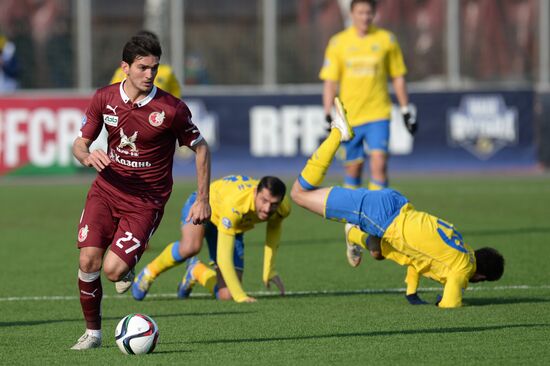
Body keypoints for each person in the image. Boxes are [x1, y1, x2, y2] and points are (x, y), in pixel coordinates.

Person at [290, 97, 504, 308]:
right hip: (383, 217)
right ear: (481, 276)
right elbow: (449, 304)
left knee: (378, 253)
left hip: (397, 205)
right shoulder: (462, 271)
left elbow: (417, 257)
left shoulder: (460, 246)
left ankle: (353, 233)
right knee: (299, 194)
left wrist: (411, 293)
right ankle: (338, 132)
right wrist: (446, 299)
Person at [70, 33, 211, 350]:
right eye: (143, 67)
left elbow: (201, 149)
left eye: (154, 68)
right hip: (105, 190)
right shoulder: (104, 99)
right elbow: (80, 143)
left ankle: (127, 263)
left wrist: (203, 199)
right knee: (88, 261)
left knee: (112, 270)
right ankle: (92, 335)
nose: (150, 75)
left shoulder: (171, 109)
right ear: (125, 68)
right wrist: (86, 155)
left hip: (144, 203)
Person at [132, 175, 290, 303]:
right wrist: (241, 296)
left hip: (231, 224)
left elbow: (274, 228)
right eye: (264, 201)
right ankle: (149, 273)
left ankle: (196, 271)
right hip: (203, 205)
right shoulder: (235, 205)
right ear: (255, 192)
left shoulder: (282, 207)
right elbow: (223, 258)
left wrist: (270, 270)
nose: (268, 208)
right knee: (191, 247)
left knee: (227, 295)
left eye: (274, 204)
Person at [320, 0, 416, 191]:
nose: (365, 17)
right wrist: (327, 113)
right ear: (351, 14)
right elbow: (330, 81)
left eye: (368, 13)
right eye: (360, 12)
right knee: (353, 170)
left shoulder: (386, 40)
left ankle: (377, 217)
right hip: (349, 117)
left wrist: (405, 110)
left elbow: (397, 76)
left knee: (379, 163)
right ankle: (353, 219)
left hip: (378, 114)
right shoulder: (338, 42)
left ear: (374, 14)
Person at [111, 30, 181, 98]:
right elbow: (113, 94)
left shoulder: (167, 71)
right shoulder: (120, 72)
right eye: (142, 68)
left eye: (154, 68)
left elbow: (175, 93)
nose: (149, 75)